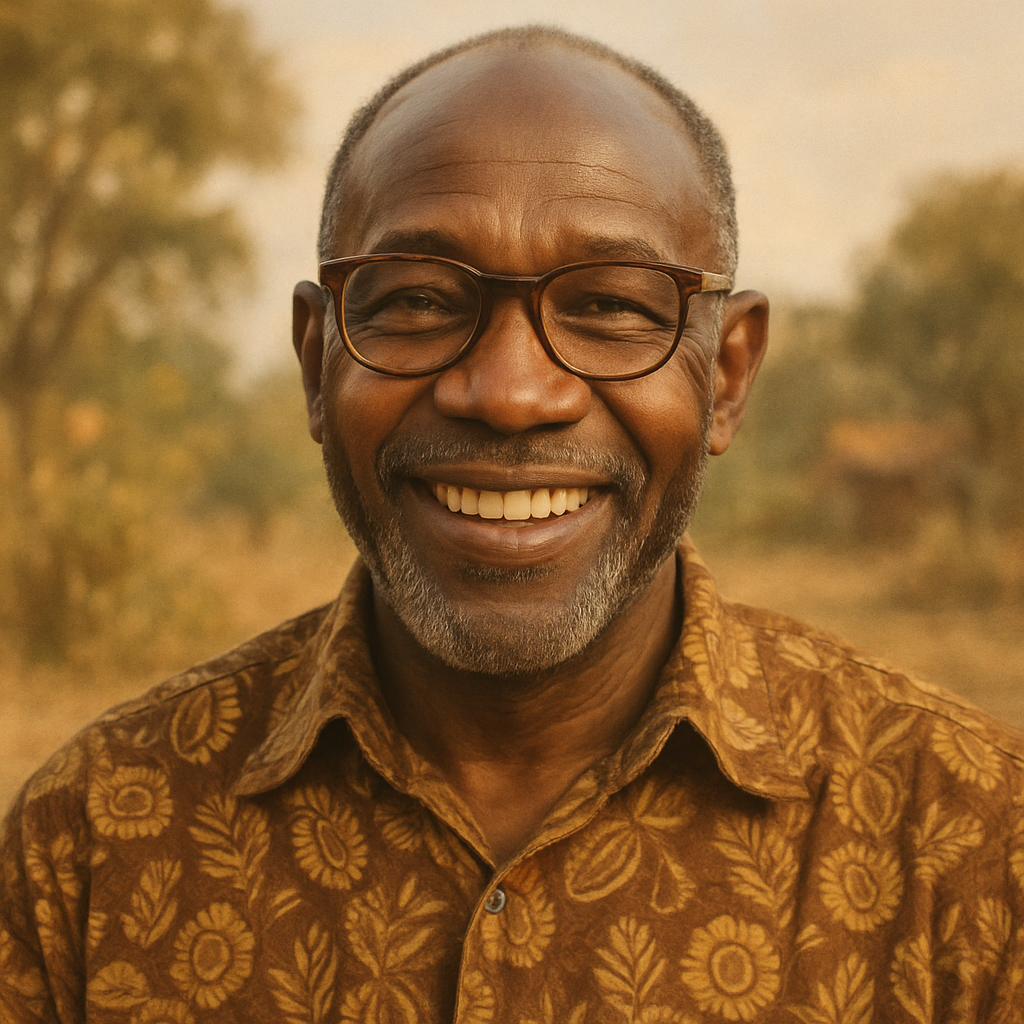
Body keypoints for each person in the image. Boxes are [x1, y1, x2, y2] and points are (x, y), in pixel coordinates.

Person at [2, 25, 1022, 1024]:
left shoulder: (973, 849)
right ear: (317, 362)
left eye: (612, 307)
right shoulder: (89, 847)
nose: (508, 391)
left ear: (726, 375)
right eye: (413, 299)